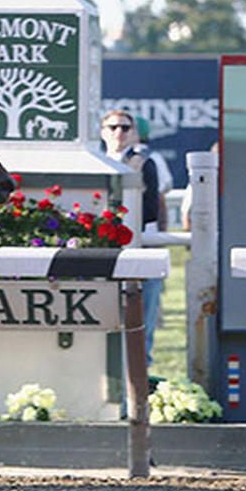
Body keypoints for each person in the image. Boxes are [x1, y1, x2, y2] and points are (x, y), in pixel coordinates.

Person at [101, 110, 161, 367]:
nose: (119, 133)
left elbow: (150, 210)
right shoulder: (94, 160)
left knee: (142, 324)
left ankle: (140, 386)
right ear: (103, 131)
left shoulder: (144, 162)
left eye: (125, 128)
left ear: (134, 133)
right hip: (104, 251)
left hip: (139, 247)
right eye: (113, 127)